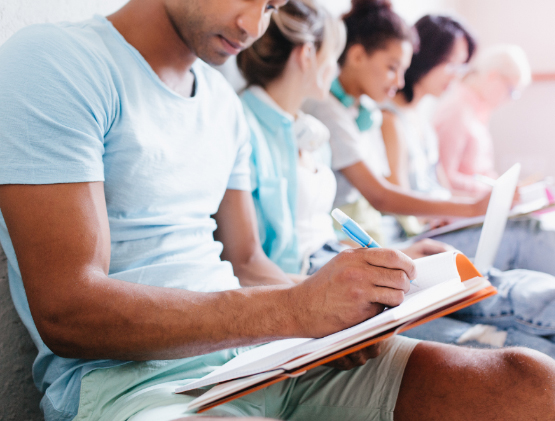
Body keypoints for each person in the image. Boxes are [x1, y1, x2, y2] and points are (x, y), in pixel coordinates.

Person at [0, 1, 555, 421]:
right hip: (133, 386)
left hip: (261, 359)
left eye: (269, 5)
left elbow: (247, 259)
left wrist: (338, 321)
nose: (251, 24)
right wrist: (294, 311)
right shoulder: (58, 62)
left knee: (529, 382)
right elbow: (68, 311)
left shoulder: (221, 103)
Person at [237, 0, 450, 276]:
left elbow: (322, 235)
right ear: (307, 56)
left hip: (330, 259)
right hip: (304, 278)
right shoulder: (249, 126)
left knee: (441, 272)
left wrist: (390, 257)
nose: (337, 66)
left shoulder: (310, 130)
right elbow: (254, 262)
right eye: (334, 54)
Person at [302, 0, 492, 250]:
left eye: (402, 70)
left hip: (373, 233)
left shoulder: (364, 111)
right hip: (343, 239)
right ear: (357, 56)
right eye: (392, 68)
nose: (400, 82)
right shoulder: (327, 109)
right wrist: (472, 208)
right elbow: (380, 195)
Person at [379, 15, 555, 276]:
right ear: (427, 55)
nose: (457, 76)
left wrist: (483, 204)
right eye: (452, 64)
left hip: (443, 221)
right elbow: (405, 209)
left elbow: (442, 188)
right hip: (422, 234)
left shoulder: (422, 120)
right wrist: (471, 208)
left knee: (528, 229)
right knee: (525, 234)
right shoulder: (391, 119)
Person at [435, 44, 532, 196]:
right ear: (493, 76)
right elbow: (444, 178)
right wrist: (493, 190)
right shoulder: (456, 111)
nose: (509, 100)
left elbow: (481, 171)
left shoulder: (478, 112)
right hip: (462, 210)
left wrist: (504, 186)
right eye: (511, 91)